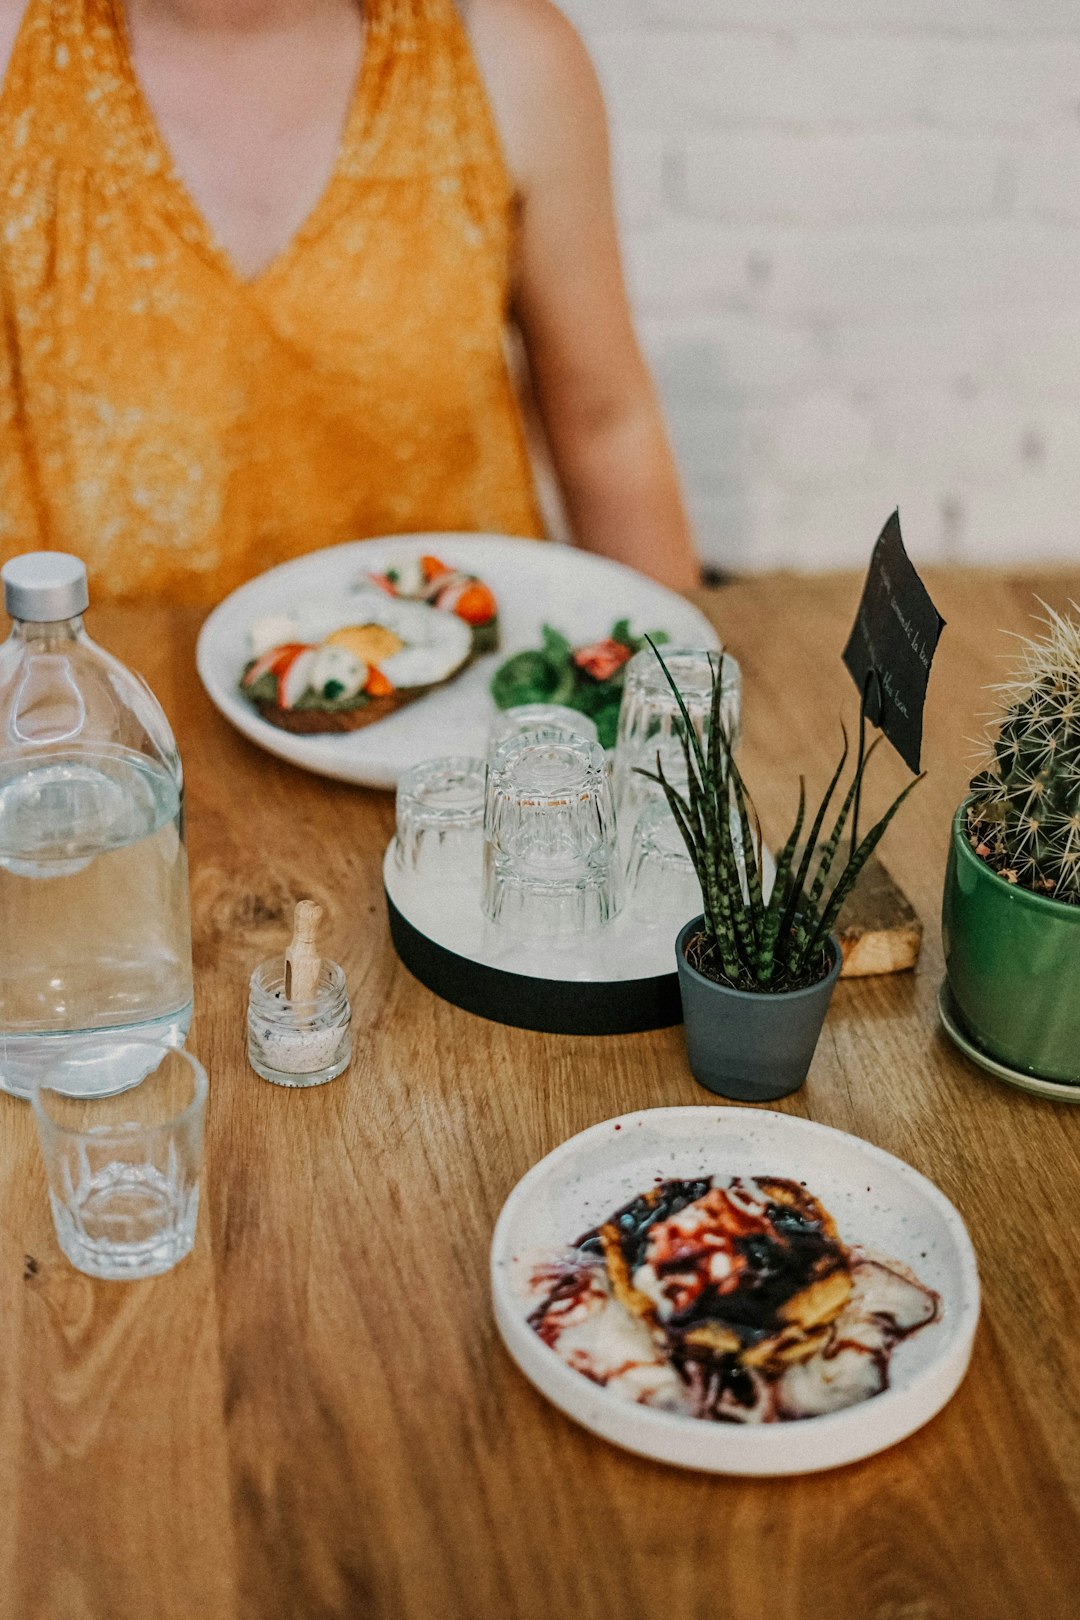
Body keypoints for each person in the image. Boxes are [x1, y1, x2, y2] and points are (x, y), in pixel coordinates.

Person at [0, 0, 699, 602]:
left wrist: (685, 712)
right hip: (80, 725)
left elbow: (606, 424)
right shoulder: (18, 58)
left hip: (453, 705)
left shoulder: (505, 56)